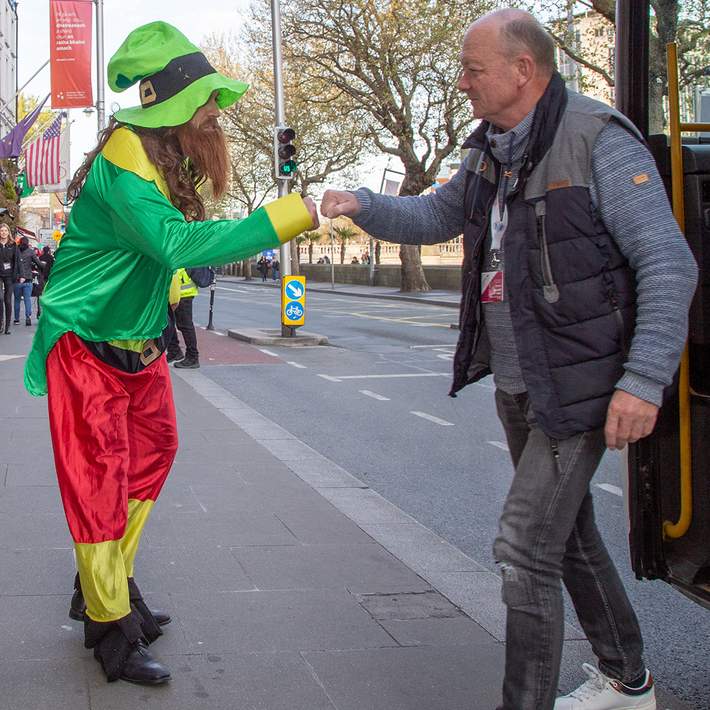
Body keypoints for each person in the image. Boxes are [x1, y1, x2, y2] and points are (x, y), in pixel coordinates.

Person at [321, 9, 697, 710]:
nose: (461, 81)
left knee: (524, 550)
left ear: (523, 70)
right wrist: (360, 204)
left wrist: (643, 381)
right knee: (571, 533)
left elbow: (669, 265)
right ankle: (628, 679)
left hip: (580, 379)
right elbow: (436, 216)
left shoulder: (596, 140)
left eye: (473, 68)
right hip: (522, 380)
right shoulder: (491, 149)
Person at [24, 21, 317, 686]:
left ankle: (106, 583)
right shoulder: (126, 162)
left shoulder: (164, 162)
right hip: (87, 342)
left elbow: (167, 260)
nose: (218, 112)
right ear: (179, 104)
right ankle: (108, 629)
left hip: (139, 343)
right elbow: (178, 247)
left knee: (153, 455)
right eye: (210, 99)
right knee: (98, 486)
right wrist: (296, 212)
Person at [166, 267, 200, 368]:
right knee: (169, 322)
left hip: (183, 294)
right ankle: (174, 351)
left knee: (185, 326)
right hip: (176, 293)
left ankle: (193, 357)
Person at [14, 236, 42, 326]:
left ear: (19, 242)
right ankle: (28, 317)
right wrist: (45, 266)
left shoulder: (15, 251)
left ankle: (17, 319)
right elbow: (38, 263)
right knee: (27, 299)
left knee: (17, 300)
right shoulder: (31, 252)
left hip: (17, 280)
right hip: (28, 279)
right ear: (27, 243)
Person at [0, 223, 16, 334]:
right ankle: (1, 323)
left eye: (5, 230)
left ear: (8, 232)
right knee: (0, 298)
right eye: (1, 230)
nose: (3, 232)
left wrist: (21, 275)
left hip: (9, 275)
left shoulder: (13, 244)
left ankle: (7, 326)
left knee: (8, 300)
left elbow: (17, 260)